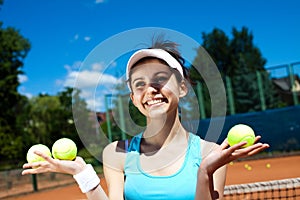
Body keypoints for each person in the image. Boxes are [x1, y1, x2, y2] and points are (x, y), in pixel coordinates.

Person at [22, 38, 269, 200]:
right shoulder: (116, 153)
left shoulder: (211, 154)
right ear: (133, 98)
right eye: (139, 84)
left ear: (183, 87)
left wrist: (205, 171)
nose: (150, 89)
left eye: (160, 78)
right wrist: (82, 173)